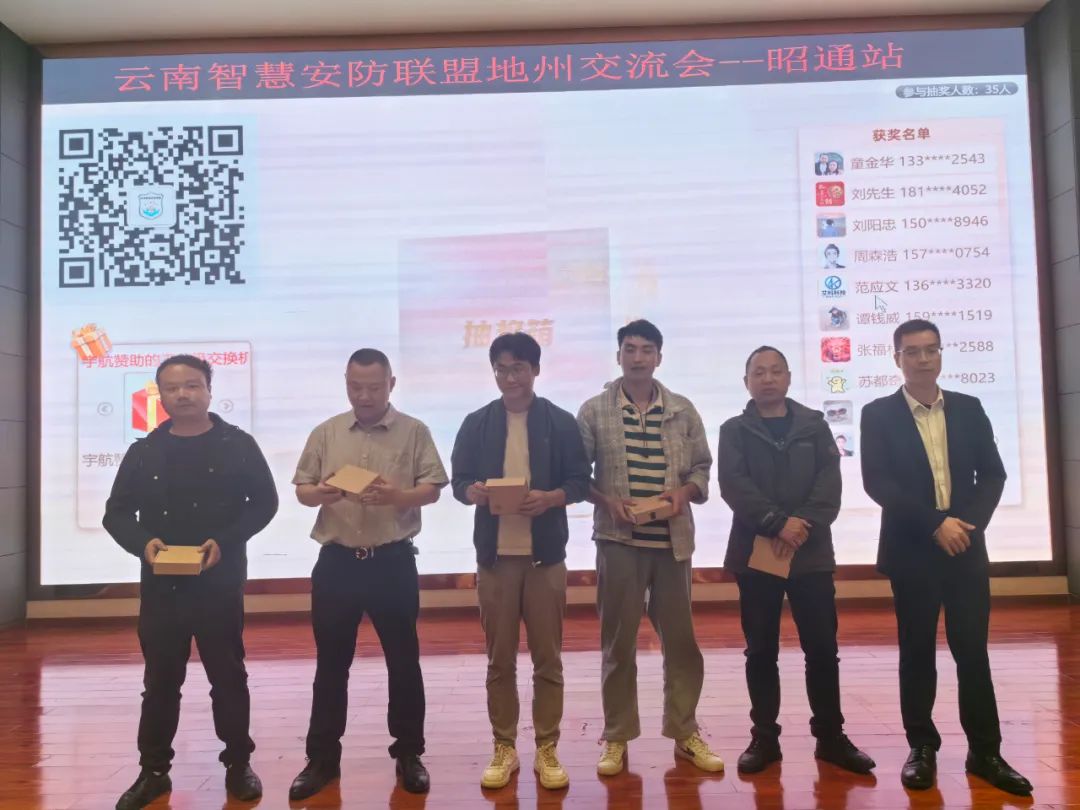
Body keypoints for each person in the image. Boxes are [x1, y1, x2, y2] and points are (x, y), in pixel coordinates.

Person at [860, 319, 1032, 797]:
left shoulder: (969, 408)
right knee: (916, 652)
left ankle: (986, 752)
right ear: (896, 358)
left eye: (931, 350)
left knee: (972, 651)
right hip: (912, 550)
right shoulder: (878, 414)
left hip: (965, 549)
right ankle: (922, 748)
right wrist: (936, 524)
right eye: (912, 351)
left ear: (940, 354)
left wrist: (965, 525)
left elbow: (992, 475)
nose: (923, 359)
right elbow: (879, 483)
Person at [103, 354, 278, 810]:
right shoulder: (144, 452)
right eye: (173, 387)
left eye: (193, 386)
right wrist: (143, 544)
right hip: (162, 589)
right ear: (160, 395)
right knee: (160, 682)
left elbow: (264, 503)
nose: (183, 394)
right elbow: (115, 514)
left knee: (228, 677)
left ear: (209, 391)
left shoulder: (238, 445)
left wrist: (227, 540)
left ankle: (238, 764)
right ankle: (153, 772)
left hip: (218, 584)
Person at [288, 349, 448, 800]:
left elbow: (433, 489)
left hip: (392, 561)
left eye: (374, 387)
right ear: (345, 383)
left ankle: (409, 753)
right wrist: (321, 492)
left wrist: (399, 497)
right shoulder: (326, 432)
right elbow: (302, 490)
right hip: (337, 562)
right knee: (330, 664)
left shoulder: (414, 431)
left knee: (403, 660)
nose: (364, 396)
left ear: (391, 384)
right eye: (355, 387)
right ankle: (322, 759)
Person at [718, 346, 875, 776]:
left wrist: (800, 524)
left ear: (788, 378)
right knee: (761, 650)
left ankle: (831, 738)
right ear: (746, 382)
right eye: (759, 372)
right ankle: (764, 738)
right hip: (756, 553)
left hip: (811, 553)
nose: (768, 379)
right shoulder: (734, 430)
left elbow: (829, 484)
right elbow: (734, 484)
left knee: (822, 648)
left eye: (775, 371)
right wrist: (776, 523)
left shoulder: (814, 425)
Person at [577, 319, 723, 777]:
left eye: (646, 350)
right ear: (618, 355)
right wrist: (607, 502)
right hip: (618, 543)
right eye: (629, 348)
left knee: (681, 644)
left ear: (659, 357)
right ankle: (617, 736)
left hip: (672, 544)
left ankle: (684, 731)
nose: (637, 357)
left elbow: (702, 469)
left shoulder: (682, 409)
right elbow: (577, 477)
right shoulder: (594, 411)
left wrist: (685, 493)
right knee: (618, 645)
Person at [451, 332, 590, 791]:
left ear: (535, 371)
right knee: (500, 660)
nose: (510, 378)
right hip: (495, 560)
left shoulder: (559, 422)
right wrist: (472, 492)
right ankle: (504, 746)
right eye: (502, 369)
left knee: (548, 659)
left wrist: (551, 498)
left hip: (544, 560)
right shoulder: (477, 423)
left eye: (519, 368)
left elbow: (580, 480)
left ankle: (547, 747)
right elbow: (458, 481)